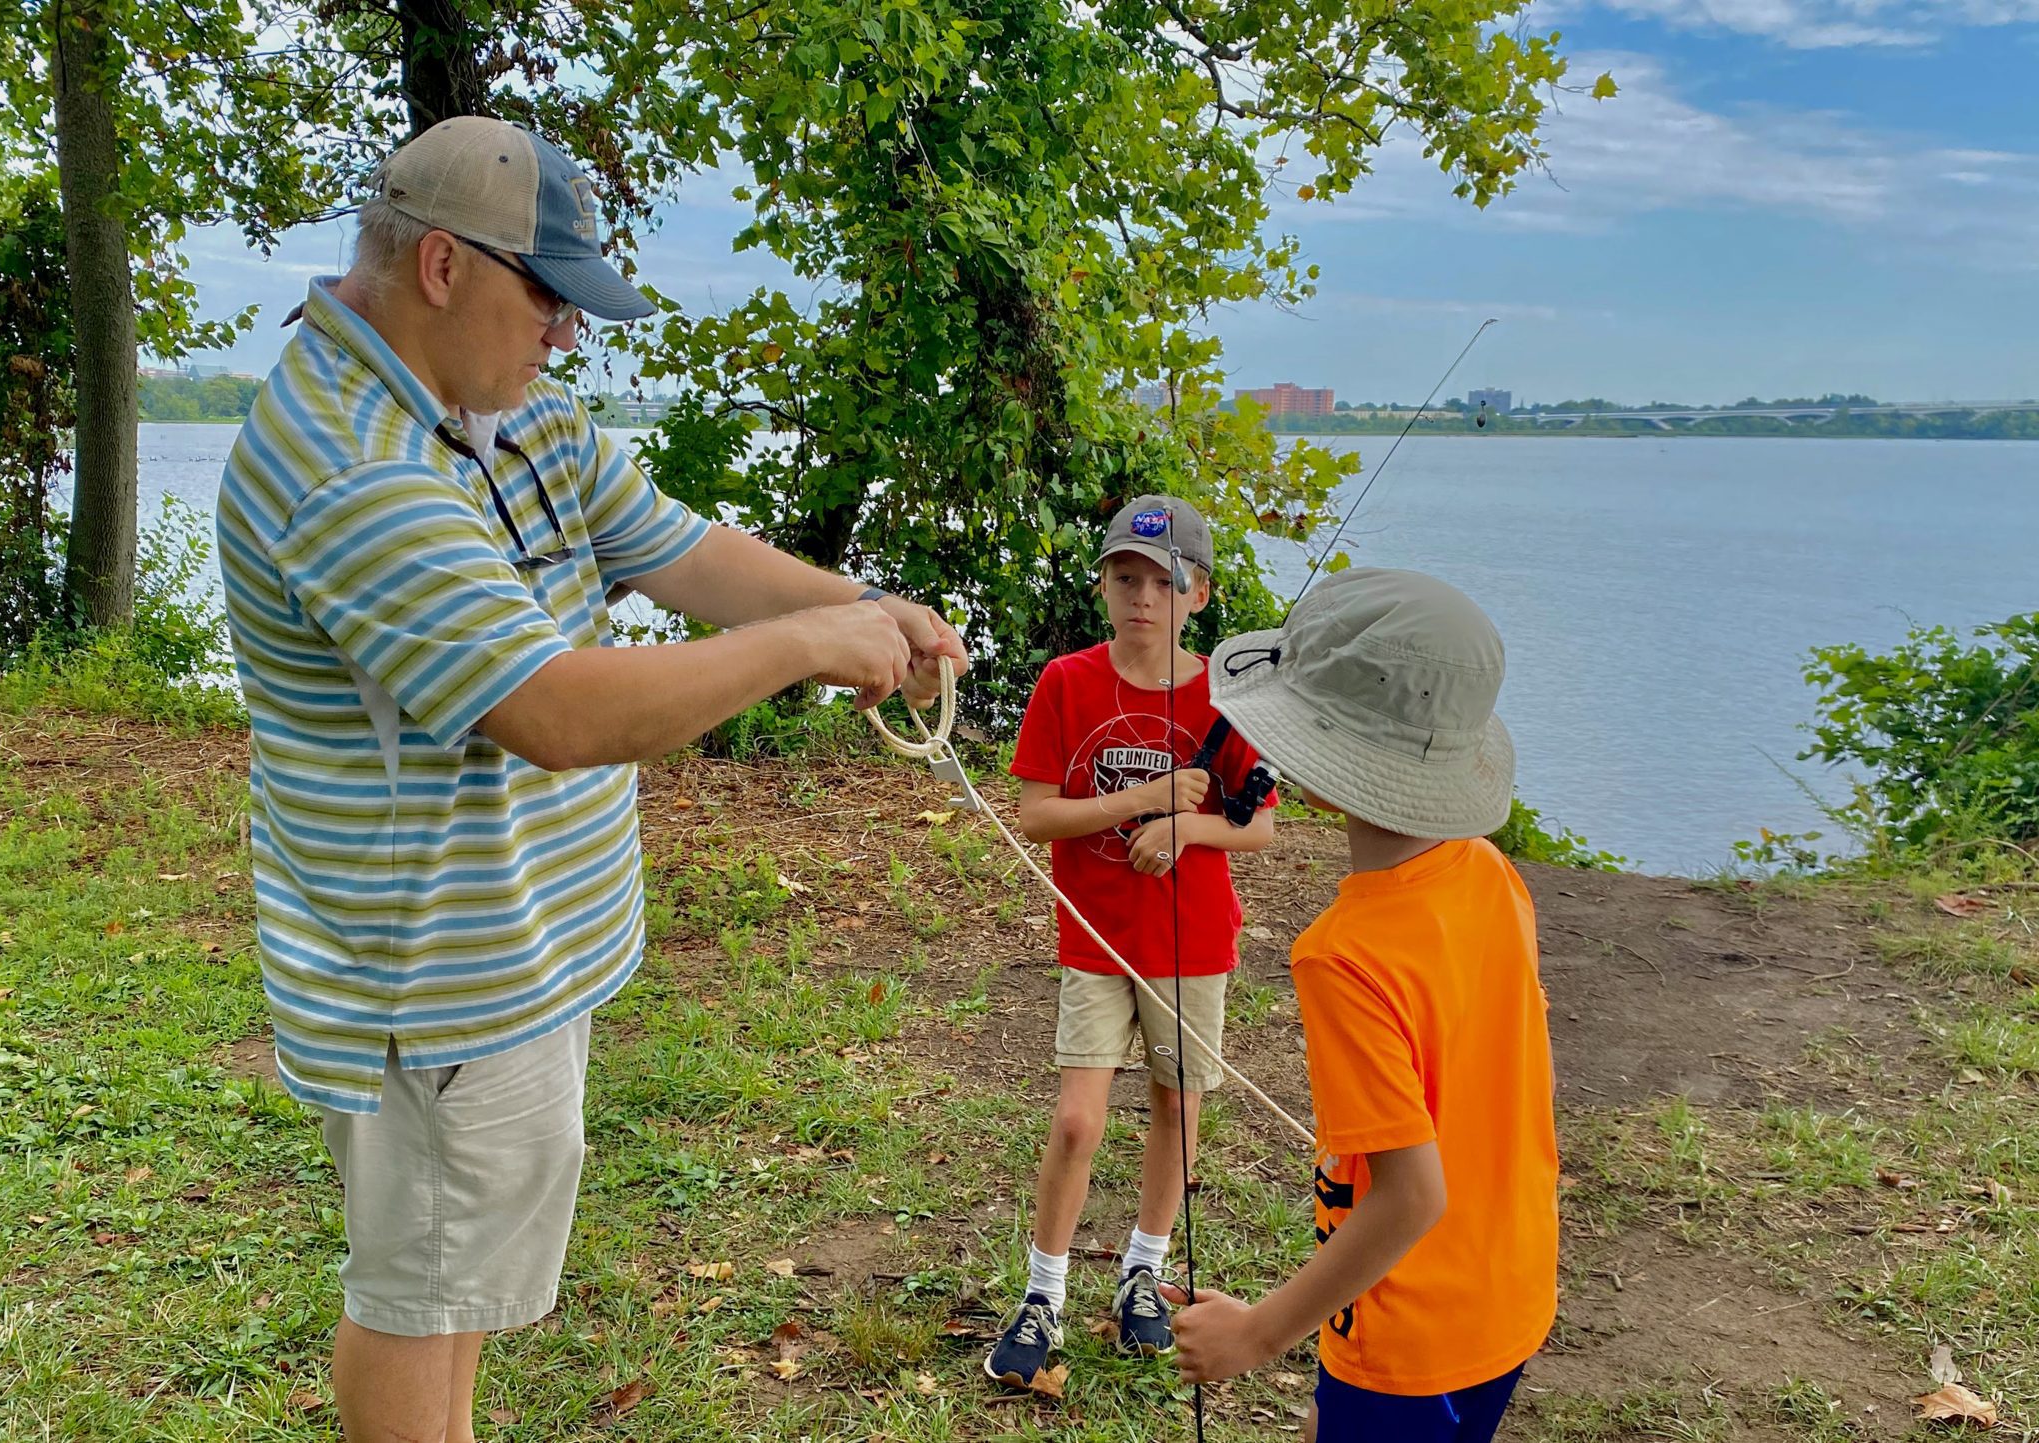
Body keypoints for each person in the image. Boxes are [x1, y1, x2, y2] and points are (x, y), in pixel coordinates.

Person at [215, 115, 966, 1443]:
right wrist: (802, 647)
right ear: (444, 267)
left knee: (458, 1279)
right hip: (431, 982)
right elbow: (555, 713)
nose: (567, 334)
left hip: (520, 959)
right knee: (418, 1286)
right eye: (549, 298)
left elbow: (676, 549)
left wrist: (872, 609)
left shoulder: (499, 408)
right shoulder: (352, 468)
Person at [1158, 568, 1558, 1443]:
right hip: (1512, 1291)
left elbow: (1411, 1198)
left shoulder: (1344, 954)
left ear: (1325, 769)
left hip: (1414, 1333)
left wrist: (1255, 1332)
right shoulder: (1493, 874)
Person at [985, 495, 1277, 1386]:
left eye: (1163, 581)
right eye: (1125, 577)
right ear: (1103, 585)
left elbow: (1259, 825)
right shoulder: (1067, 683)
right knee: (1078, 1120)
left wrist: (1191, 831)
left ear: (1199, 594)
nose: (1142, 596)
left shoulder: (1224, 701)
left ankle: (1142, 1270)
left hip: (1192, 946)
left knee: (1175, 1110)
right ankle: (1042, 1291)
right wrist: (1142, 803)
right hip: (1095, 939)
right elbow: (1037, 815)